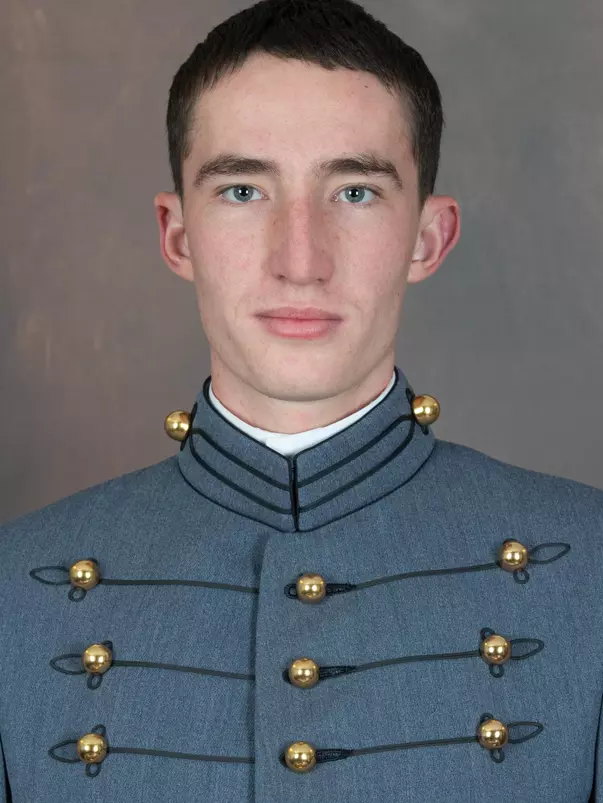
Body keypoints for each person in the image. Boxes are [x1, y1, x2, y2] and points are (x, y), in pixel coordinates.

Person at [1, 0, 602, 800]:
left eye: (354, 192)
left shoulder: (588, 567)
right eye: (243, 190)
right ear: (177, 235)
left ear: (428, 237)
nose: (300, 259)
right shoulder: (14, 587)